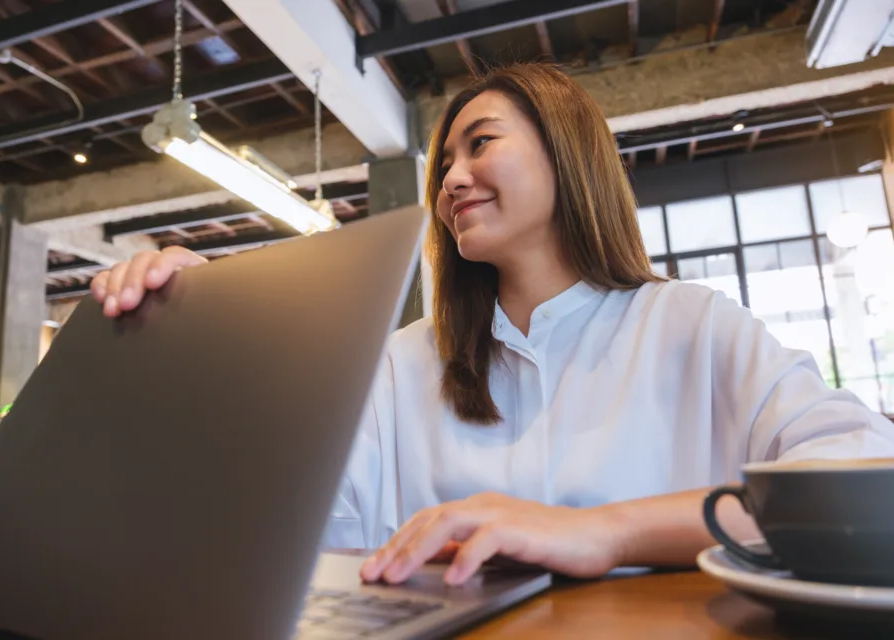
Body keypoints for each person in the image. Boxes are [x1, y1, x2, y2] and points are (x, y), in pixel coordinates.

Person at [91, 63, 894, 588]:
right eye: (443, 164)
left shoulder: (693, 326)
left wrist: (604, 533)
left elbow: (862, 476)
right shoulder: (403, 366)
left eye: (480, 144)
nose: (452, 179)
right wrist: (205, 346)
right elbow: (293, 538)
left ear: (567, 153)